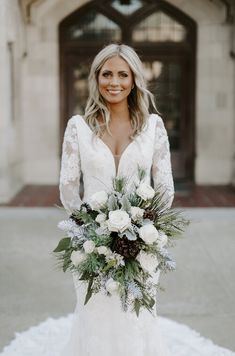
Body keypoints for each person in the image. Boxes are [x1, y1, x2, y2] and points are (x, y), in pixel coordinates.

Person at [59, 43, 174, 356]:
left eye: (123, 74)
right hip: (89, 246)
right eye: (106, 73)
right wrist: (92, 230)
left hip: (142, 245)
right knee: (94, 315)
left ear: (134, 79)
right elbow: (68, 189)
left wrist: (143, 232)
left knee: (136, 317)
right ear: (96, 78)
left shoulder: (154, 127)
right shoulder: (78, 128)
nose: (114, 81)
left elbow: (164, 190)